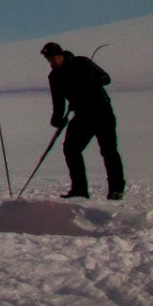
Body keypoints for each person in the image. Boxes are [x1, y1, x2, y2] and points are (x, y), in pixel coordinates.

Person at [42, 41, 125, 200]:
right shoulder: (54, 77)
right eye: (49, 60)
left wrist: (91, 79)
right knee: (70, 149)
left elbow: (106, 78)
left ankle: (116, 189)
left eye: (53, 59)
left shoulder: (82, 62)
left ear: (61, 55)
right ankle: (79, 190)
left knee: (108, 150)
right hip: (82, 116)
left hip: (102, 112)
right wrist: (57, 118)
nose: (51, 63)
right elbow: (58, 101)